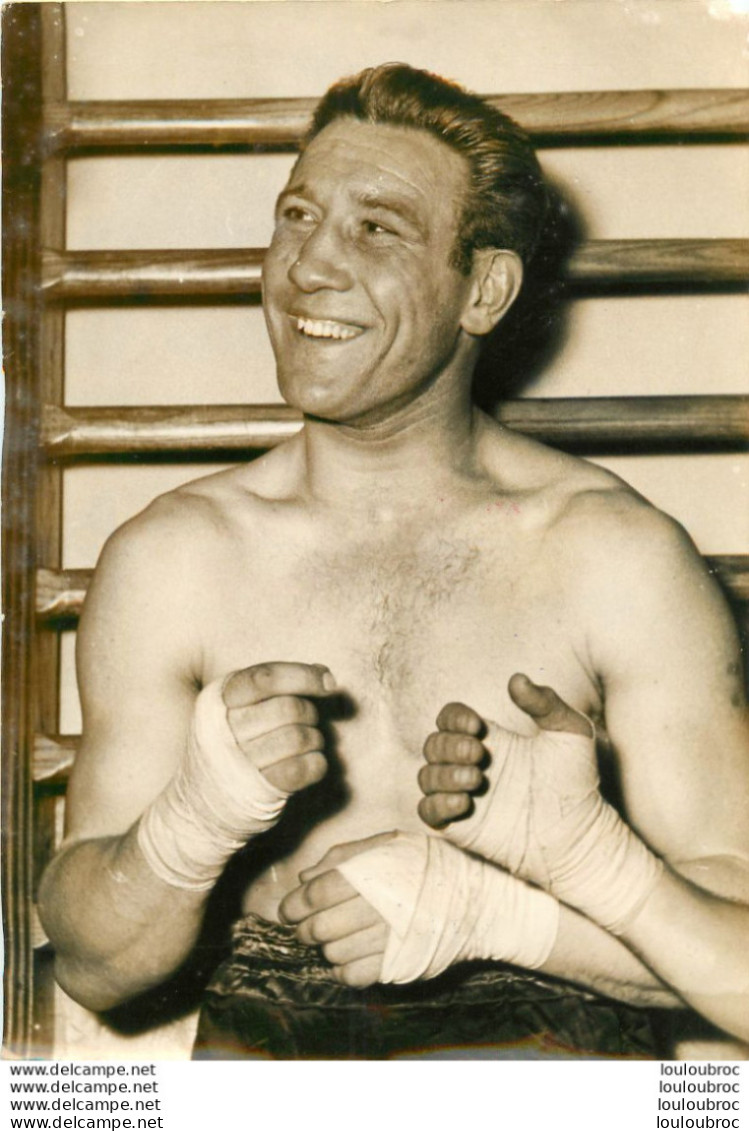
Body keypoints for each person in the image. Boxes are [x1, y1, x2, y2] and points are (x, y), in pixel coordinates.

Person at [38, 63, 749, 1060]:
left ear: (485, 290)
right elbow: (94, 966)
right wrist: (186, 829)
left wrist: (520, 905)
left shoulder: (614, 561)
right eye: (296, 217)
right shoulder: (175, 559)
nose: (308, 268)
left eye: (375, 229)